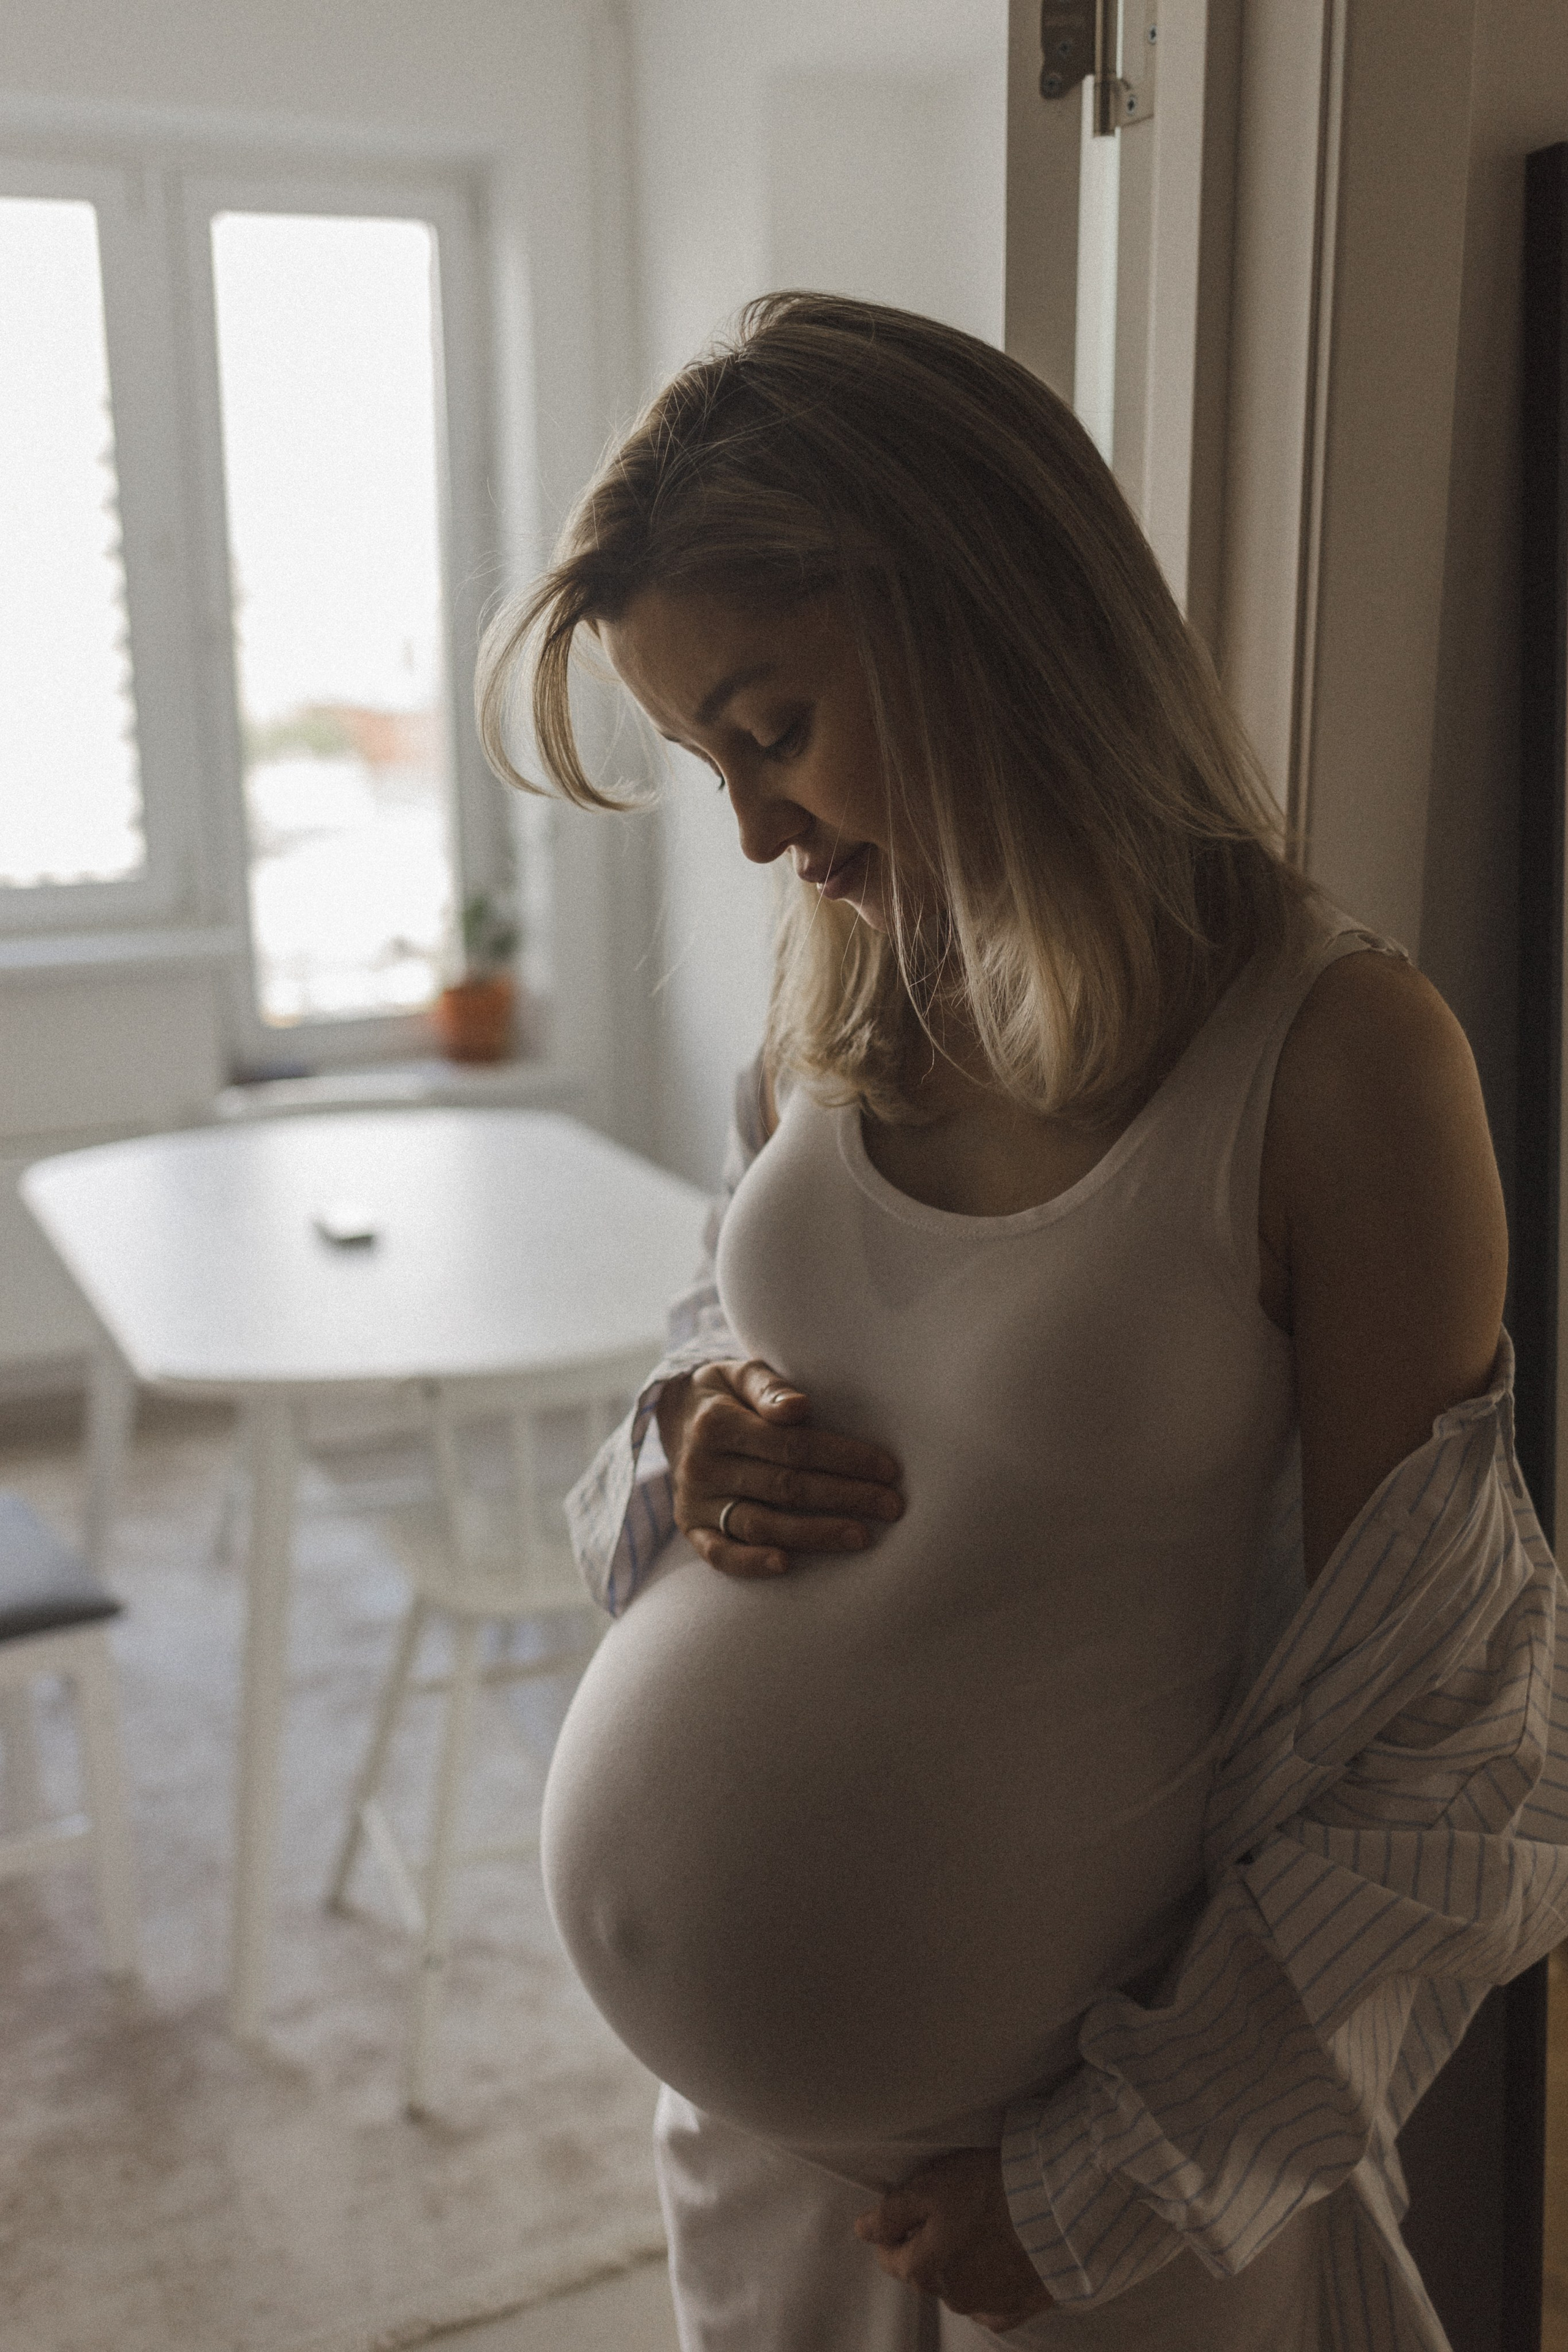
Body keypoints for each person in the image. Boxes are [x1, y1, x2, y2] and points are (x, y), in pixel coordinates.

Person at [474, 293, 1565, 2351]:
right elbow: (724, 1364)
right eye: (715, 761)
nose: (760, 836)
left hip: (1089, 2211)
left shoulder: (1336, 1064)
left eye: (772, 730)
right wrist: (686, 1439)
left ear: (974, 608)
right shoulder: (847, 1002)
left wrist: (1108, 2178)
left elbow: (1456, 1751)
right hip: (762, 2170)